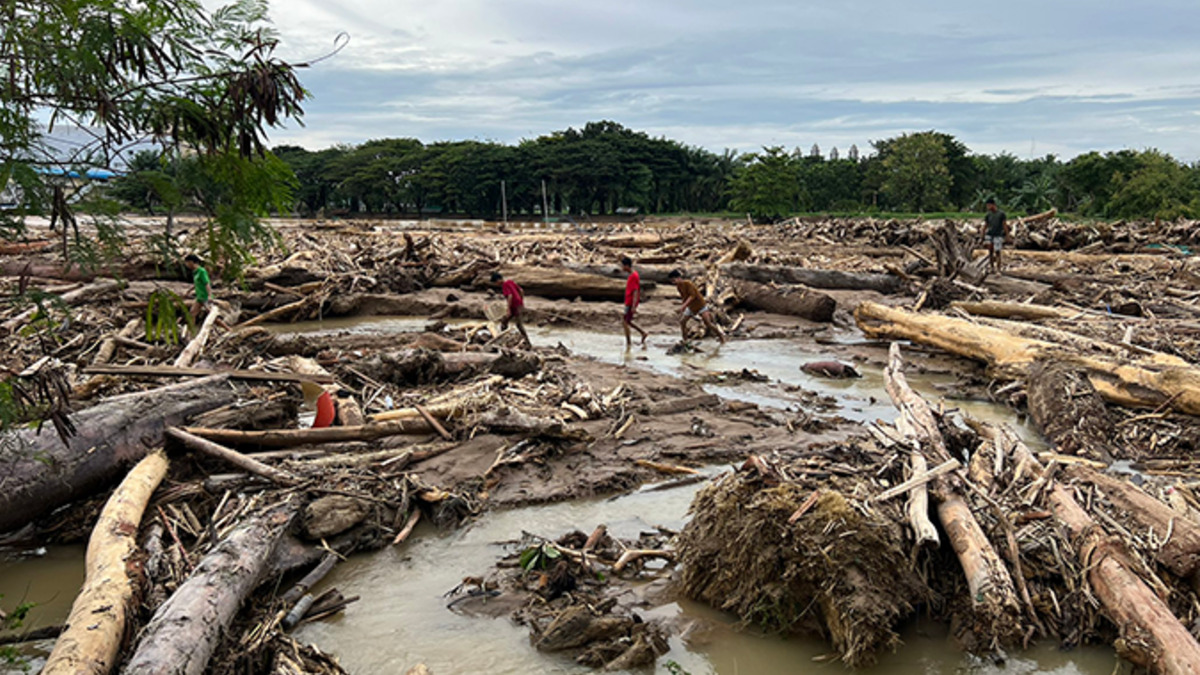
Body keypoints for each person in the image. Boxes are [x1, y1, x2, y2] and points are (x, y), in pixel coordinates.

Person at [669, 270, 725, 344]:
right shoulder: (679, 287)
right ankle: (685, 340)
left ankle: (721, 337)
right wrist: (683, 306)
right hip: (691, 307)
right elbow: (684, 297)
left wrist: (684, 306)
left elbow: (692, 296)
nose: (674, 283)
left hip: (700, 305)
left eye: (674, 280)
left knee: (708, 323)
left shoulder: (688, 284)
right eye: (672, 281)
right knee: (682, 322)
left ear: (679, 278)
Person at [491, 271, 532, 348]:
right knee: (505, 321)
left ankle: (527, 342)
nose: (496, 284)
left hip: (514, 306)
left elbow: (510, 296)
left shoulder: (504, 285)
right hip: (518, 305)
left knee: (518, 324)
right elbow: (521, 290)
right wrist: (521, 302)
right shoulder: (510, 281)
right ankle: (504, 338)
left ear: (498, 280)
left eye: (495, 282)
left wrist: (508, 309)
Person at [621, 256, 648, 348]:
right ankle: (642, 333)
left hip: (630, 302)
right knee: (627, 321)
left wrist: (633, 306)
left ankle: (629, 342)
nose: (622, 268)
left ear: (627, 266)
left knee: (625, 322)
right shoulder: (632, 276)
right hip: (628, 301)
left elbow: (636, 291)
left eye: (623, 266)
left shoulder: (634, 276)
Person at [183, 254, 212, 321]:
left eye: (187, 263)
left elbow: (206, 283)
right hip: (199, 297)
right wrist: (189, 291)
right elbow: (197, 283)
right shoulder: (195, 272)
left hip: (205, 296)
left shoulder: (202, 271)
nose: (186, 265)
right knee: (192, 313)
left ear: (191, 262)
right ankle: (192, 331)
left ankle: (228, 329)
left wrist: (210, 295)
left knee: (210, 314)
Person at [981, 198, 1008, 272]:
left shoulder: (1001, 214)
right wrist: (982, 235)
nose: (988, 207)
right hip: (990, 234)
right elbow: (985, 225)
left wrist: (1007, 235)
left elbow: (1004, 225)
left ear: (993, 205)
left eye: (989, 205)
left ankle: (998, 269)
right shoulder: (988, 215)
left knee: (997, 251)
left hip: (998, 234)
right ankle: (992, 268)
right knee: (990, 251)